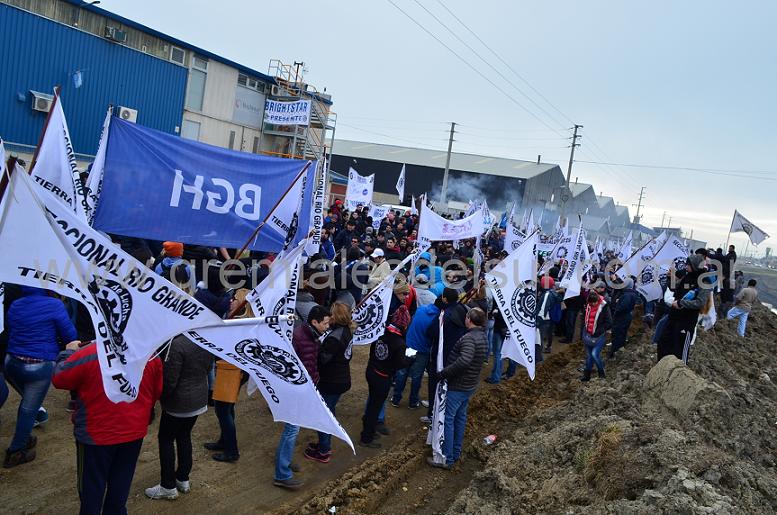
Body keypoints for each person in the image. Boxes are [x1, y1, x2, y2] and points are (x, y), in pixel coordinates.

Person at [52, 342, 163, 514]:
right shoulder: (149, 353)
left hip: (95, 435)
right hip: (133, 432)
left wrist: (68, 352)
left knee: (91, 489)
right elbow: (156, 392)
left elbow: (60, 378)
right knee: (121, 482)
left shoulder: (90, 353)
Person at [4, 286, 79, 468]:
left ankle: (24, 435)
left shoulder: (16, 304)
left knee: (27, 405)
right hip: (39, 366)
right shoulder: (54, 305)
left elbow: (10, 328)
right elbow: (70, 336)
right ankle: (16, 451)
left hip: (11, 363)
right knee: (30, 408)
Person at [145, 332, 214, 500]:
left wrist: (161, 399)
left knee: (166, 438)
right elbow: (209, 368)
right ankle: (183, 478)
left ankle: (168, 485)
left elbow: (170, 380)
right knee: (184, 435)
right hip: (198, 398)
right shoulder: (204, 338)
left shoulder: (176, 345)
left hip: (179, 402)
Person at [274, 305, 331, 490]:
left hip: (307, 389)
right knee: (291, 431)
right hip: (296, 392)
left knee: (293, 430)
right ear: (314, 322)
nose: (327, 326)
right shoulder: (299, 337)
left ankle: (286, 462)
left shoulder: (314, 336)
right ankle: (282, 474)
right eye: (325, 323)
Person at [428, 308, 488, 470]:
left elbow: (464, 361)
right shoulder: (482, 336)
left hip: (458, 386)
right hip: (469, 385)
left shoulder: (469, 338)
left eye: (467, 316)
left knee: (449, 419)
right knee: (460, 418)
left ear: (469, 319)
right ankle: (455, 452)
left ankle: (448, 457)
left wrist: (443, 374)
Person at [305, 302, 355, 463]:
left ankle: (324, 450)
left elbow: (324, 359)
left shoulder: (335, 337)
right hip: (340, 378)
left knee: (325, 415)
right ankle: (323, 444)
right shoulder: (345, 331)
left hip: (332, 381)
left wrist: (316, 348)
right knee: (329, 411)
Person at [361, 306, 411, 448]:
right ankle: (366, 438)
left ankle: (368, 429)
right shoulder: (400, 343)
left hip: (371, 371)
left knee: (372, 404)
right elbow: (399, 364)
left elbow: (373, 352)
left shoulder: (380, 332)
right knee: (374, 408)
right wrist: (410, 359)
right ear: (405, 324)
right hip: (382, 377)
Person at [423, 288, 468, 423]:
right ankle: (440, 408)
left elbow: (431, 331)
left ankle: (432, 413)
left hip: (441, 354)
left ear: (444, 299)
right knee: (449, 384)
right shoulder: (463, 309)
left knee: (435, 383)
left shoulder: (444, 316)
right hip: (456, 353)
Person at [657, 254, 711, 364]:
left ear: (695, 266)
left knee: (680, 350)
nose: (686, 267)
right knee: (663, 343)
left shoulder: (704, 282)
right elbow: (675, 286)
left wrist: (681, 303)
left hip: (686, 322)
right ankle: (662, 370)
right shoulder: (687, 277)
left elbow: (700, 302)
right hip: (673, 317)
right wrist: (670, 277)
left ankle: (679, 374)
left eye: (688, 265)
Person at [392, 297, 442, 408]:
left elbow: (411, 322)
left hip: (409, 345)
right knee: (416, 376)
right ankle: (413, 402)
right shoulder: (438, 318)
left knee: (402, 372)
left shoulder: (421, 309)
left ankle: (396, 398)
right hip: (422, 350)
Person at [580, 290, 612, 382]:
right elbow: (584, 318)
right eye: (591, 303)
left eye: (594, 303)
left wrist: (600, 330)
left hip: (599, 335)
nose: (593, 304)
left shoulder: (604, 306)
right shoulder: (588, 306)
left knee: (594, 354)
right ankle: (587, 375)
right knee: (589, 356)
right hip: (588, 334)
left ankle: (601, 373)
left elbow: (609, 322)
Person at [608, 277, 639, 359]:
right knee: (621, 333)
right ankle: (618, 350)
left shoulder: (627, 295)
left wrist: (617, 305)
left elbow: (622, 307)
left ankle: (614, 352)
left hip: (622, 317)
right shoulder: (630, 294)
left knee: (618, 334)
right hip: (626, 316)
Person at [536, 276, 561, 355]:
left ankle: (539, 356)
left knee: (540, 337)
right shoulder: (553, 292)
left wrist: (539, 319)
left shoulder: (547, 294)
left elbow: (544, 308)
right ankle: (548, 347)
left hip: (544, 318)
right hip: (550, 318)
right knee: (549, 333)